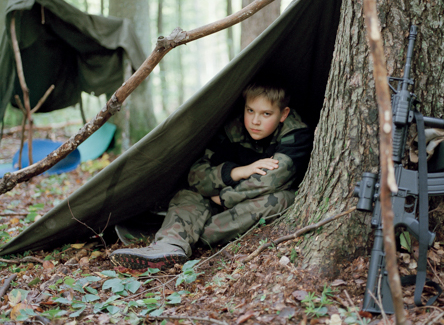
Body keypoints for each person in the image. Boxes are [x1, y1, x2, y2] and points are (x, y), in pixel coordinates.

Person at [110, 82, 313, 269]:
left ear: (283, 114)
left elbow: (270, 181)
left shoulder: (295, 134)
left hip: (252, 203)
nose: (255, 121)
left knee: (279, 200)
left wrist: (225, 198)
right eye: (250, 110)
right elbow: (196, 176)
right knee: (187, 195)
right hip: (225, 198)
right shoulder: (234, 129)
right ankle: (169, 246)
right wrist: (236, 172)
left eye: (266, 114)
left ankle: (180, 237)